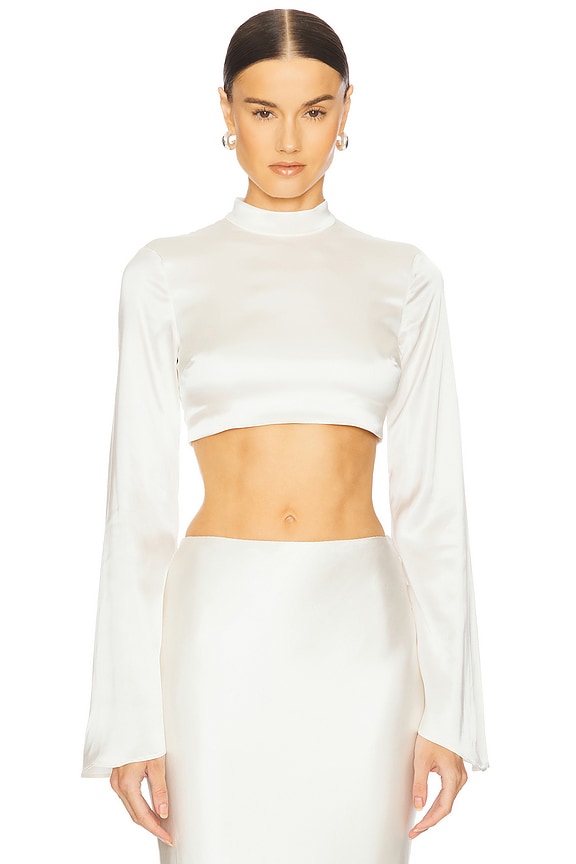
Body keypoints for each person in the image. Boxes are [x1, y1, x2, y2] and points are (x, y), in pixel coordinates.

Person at [81, 8, 488, 863]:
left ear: (347, 111)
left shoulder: (404, 278)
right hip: (217, 636)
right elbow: (136, 509)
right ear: (226, 110)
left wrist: (449, 713)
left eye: (315, 109)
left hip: (362, 637)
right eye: (264, 110)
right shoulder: (163, 274)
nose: (290, 139)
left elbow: (434, 510)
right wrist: (129, 721)